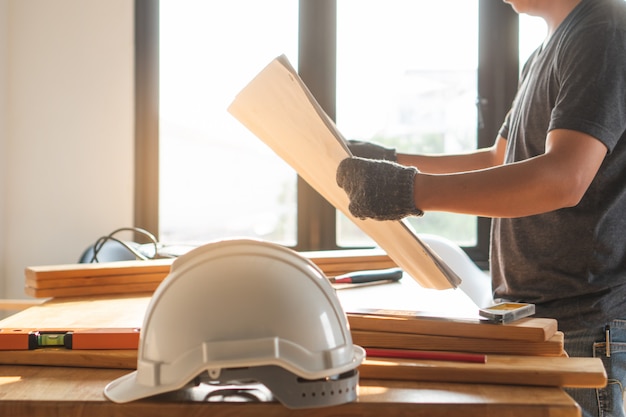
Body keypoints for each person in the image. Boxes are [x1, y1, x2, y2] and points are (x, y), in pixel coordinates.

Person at [336, 0, 626, 416]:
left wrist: (408, 191)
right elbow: (499, 159)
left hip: (583, 318)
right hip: (530, 313)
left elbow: (565, 178)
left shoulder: (603, 29)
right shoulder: (546, 50)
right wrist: (393, 161)